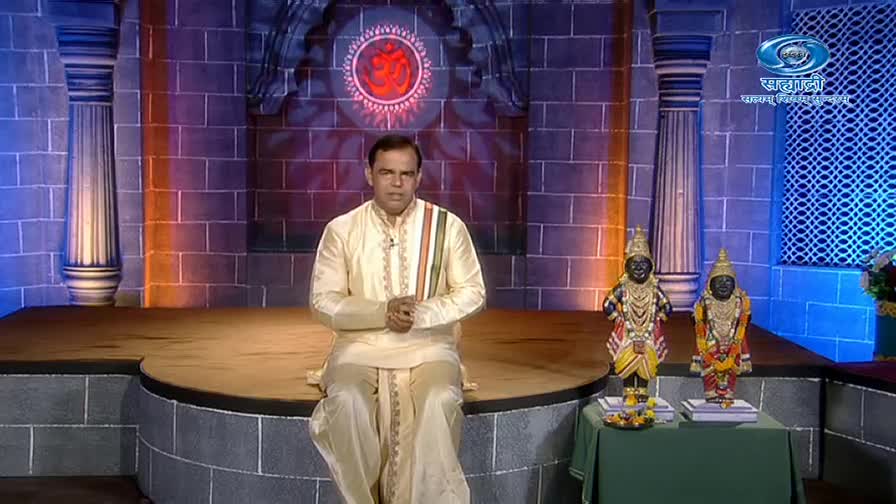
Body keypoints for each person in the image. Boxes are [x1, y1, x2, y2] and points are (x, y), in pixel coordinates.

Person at [306, 134, 486, 504]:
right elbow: (323, 301)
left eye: (406, 173)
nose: (397, 182)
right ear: (369, 174)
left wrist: (419, 315)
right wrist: (380, 313)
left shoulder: (447, 227)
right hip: (360, 346)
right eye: (387, 172)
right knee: (347, 402)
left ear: (419, 177)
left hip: (429, 345)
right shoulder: (343, 229)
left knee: (439, 401)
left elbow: (473, 291)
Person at [602, 226, 672, 402]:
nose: (639, 268)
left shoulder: (654, 289)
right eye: (634, 264)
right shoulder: (623, 288)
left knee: (645, 362)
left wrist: (657, 319)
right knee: (627, 362)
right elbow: (607, 304)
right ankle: (628, 392)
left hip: (648, 333)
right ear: (627, 267)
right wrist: (618, 319)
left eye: (643, 264)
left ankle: (641, 392)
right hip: (628, 333)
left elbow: (668, 307)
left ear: (651, 267)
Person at [690, 248, 752, 406]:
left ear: (734, 285)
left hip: (733, 343)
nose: (723, 285)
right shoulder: (705, 303)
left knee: (731, 372)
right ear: (711, 285)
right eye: (719, 281)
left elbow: (742, 327)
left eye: (727, 281)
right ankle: (711, 396)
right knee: (710, 371)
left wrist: (744, 355)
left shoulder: (739, 304)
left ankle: (728, 397)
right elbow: (699, 326)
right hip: (711, 342)